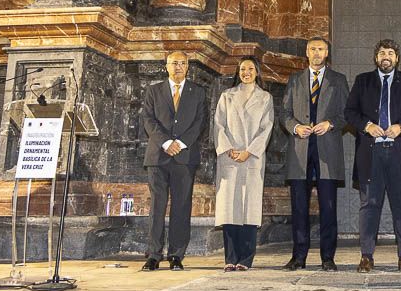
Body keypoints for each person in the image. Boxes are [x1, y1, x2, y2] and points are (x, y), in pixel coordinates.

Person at [344, 39, 401, 273]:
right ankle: (366, 256)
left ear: (397, 58)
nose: (386, 56)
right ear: (376, 58)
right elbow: (350, 111)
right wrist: (367, 126)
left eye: (390, 53)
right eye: (381, 53)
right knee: (369, 206)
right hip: (371, 155)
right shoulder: (362, 81)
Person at [281, 36, 349, 271]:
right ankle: (298, 256)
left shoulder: (338, 80)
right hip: (300, 153)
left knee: (328, 208)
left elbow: (346, 114)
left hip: (327, 153)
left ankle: (328, 258)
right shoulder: (295, 80)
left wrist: (330, 124)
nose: (317, 53)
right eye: (312, 49)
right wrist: (295, 127)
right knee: (299, 208)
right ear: (306, 53)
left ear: (327, 53)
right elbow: (285, 114)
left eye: (321, 49)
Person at [141, 50, 207, 271]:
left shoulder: (198, 92)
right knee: (157, 207)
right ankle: (153, 254)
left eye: (182, 63)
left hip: (184, 157)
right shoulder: (153, 91)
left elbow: (200, 122)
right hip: (158, 156)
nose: (178, 66)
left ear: (188, 66)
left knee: (181, 206)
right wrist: (166, 143)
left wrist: (180, 143)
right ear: (166, 66)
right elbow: (148, 120)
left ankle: (177, 255)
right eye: (173, 63)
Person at [213, 57, 275, 271]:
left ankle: (246, 259)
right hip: (229, 157)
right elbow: (219, 125)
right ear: (237, 72)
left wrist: (249, 152)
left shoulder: (265, 98)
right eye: (242, 69)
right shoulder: (227, 96)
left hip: (252, 158)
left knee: (249, 208)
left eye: (250, 69)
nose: (246, 72)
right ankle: (230, 258)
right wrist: (228, 148)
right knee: (230, 208)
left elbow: (266, 128)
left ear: (257, 72)